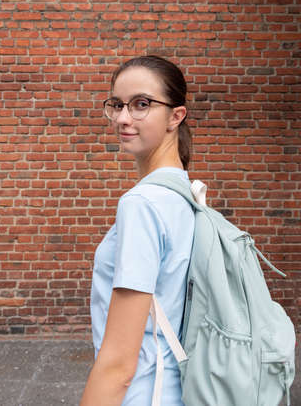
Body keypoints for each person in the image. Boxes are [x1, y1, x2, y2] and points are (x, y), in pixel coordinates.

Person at [80, 55, 195, 406]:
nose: (123, 118)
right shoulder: (185, 193)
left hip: (144, 395)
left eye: (141, 104)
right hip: (178, 390)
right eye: (117, 105)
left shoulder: (142, 204)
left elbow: (118, 365)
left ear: (176, 116)